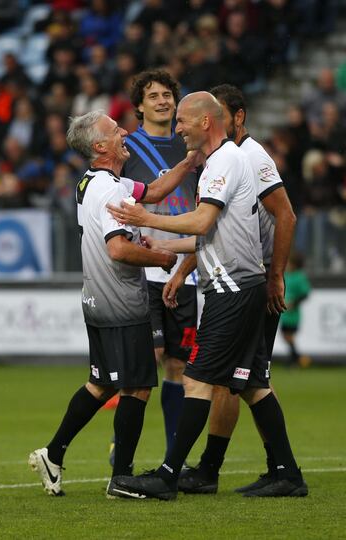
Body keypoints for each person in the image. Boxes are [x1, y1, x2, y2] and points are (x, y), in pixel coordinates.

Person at [108, 91, 307, 500]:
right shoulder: (222, 161)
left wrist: (148, 216)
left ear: (205, 123)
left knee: (196, 378)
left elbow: (203, 221)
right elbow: (210, 236)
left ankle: (167, 476)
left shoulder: (227, 161)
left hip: (232, 289)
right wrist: (163, 249)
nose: (177, 127)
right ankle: (287, 472)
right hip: (238, 285)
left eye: (182, 119)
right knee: (251, 382)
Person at [28, 109, 201, 497]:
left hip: (95, 299)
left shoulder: (93, 183)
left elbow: (154, 193)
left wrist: (188, 161)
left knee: (100, 383)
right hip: (122, 302)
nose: (124, 131)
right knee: (137, 388)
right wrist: (162, 258)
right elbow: (120, 249)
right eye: (114, 129)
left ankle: (53, 455)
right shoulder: (112, 190)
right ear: (101, 146)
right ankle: (121, 478)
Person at [175, 83, 298, 496]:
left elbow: (286, 215)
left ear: (237, 117)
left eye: (223, 115)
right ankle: (277, 470)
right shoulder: (222, 157)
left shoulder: (248, 154)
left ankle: (213, 469)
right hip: (242, 275)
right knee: (245, 380)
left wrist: (275, 274)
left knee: (239, 378)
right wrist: (183, 269)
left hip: (250, 280)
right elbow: (218, 231)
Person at [115, 69, 199, 464]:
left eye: (168, 95)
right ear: (139, 105)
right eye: (154, 96)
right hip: (144, 270)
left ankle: (173, 458)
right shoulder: (128, 148)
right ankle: (124, 452)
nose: (163, 101)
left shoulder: (193, 146)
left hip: (188, 269)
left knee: (179, 365)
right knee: (146, 361)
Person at [281, 252, 311, 367]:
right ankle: (296, 359)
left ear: (295, 265)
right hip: (285, 313)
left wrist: (294, 303)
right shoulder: (286, 275)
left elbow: (305, 294)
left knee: (288, 336)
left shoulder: (299, 276)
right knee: (286, 336)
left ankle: (297, 359)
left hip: (293, 314)